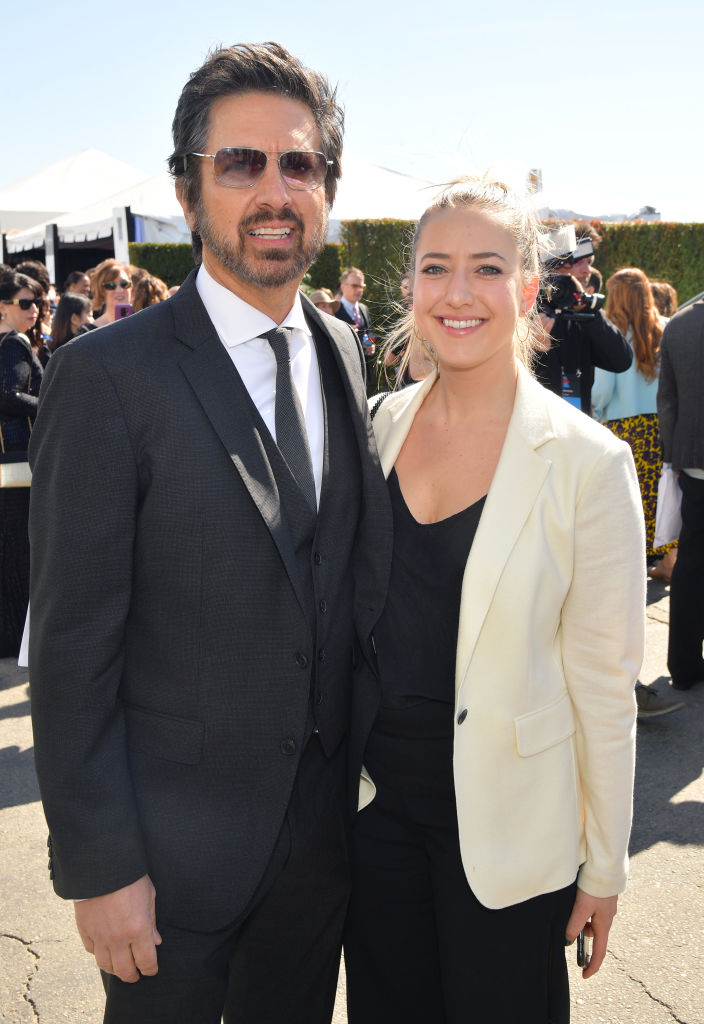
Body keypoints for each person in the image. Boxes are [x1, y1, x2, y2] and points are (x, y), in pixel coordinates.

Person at [28, 42, 390, 1024]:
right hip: (167, 870)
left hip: (320, 851)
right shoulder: (107, 377)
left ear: (327, 189)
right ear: (189, 194)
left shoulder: (341, 349)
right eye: (240, 163)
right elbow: (72, 645)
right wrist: (101, 867)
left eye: (300, 163)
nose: (275, 190)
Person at [344, 177, 645, 1024]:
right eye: (436, 268)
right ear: (411, 285)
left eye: (487, 267)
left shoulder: (588, 462)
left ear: (527, 287)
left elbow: (605, 684)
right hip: (373, 824)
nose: (459, 293)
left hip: (513, 836)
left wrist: (605, 866)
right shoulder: (374, 427)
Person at [592, 268, 684, 718]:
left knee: (622, 522)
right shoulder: (664, 329)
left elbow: (602, 390)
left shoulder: (613, 333)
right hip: (657, 431)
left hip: (622, 433)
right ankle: (663, 561)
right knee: (657, 509)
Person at [534, 225, 633, 417]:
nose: (587, 270)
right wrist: (537, 349)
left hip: (576, 426)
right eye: (577, 262)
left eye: (589, 262)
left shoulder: (584, 315)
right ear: (550, 266)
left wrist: (588, 312)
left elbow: (621, 361)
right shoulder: (524, 313)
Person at [657, 298, 704, 691]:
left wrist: (672, 457)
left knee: (691, 562)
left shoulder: (679, 324)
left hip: (693, 460)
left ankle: (684, 665)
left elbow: (667, 400)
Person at [0, 270, 43, 656]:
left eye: (38, 302)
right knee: (20, 552)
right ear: (3, 307)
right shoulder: (14, 343)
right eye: (25, 302)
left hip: (9, 463)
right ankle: (16, 639)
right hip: (17, 462)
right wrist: (54, 404)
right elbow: (10, 395)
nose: (35, 309)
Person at [335, 266, 377, 391]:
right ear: (343, 286)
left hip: (363, 373)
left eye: (362, 286)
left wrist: (370, 344)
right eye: (354, 286)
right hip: (342, 374)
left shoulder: (363, 308)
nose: (359, 290)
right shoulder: (334, 310)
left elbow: (370, 331)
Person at [90, 258, 133, 326]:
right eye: (111, 285)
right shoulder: (88, 331)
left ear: (131, 287)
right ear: (101, 290)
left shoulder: (144, 323)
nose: (119, 290)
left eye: (124, 284)